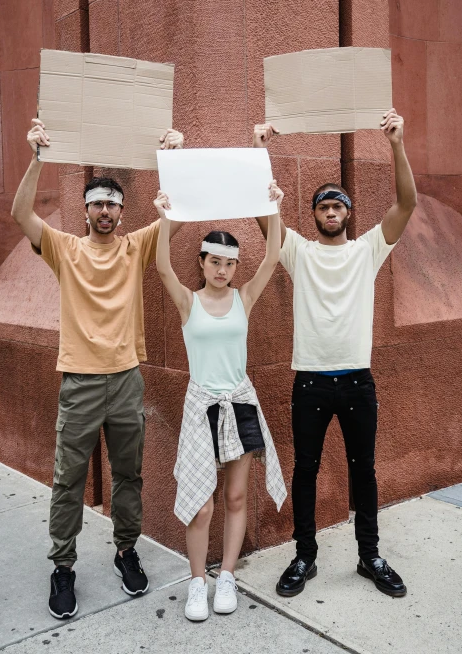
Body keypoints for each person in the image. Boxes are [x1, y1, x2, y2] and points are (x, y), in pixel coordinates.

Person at [11, 118, 184, 619]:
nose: (104, 210)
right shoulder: (66, 249)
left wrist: (170, 157)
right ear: (84, 211)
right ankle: (63, 567)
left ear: (122, 211)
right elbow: (21, 213)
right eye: (96, 203)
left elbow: (177, 210)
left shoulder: (137, 247)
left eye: (112, 203)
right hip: (81, 382)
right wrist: (38, 156)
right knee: (68, 479)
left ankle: (126, 552)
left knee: (128, 474)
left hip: (127, 378)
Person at [253, 108, 417, 598]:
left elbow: (406, 204)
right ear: (314, 215)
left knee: (362, 470)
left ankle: (370, 556)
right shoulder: (298, 251)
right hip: (310, 381)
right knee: (305, 469)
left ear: (348, 213)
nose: (330, 214)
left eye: (338, 207)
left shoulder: (367, 250)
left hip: (357, 382)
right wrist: (262, 149)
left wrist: (396, 144)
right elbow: (264, 220)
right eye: (323, 207)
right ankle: (305, 557)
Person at [153, 183, 287, 622]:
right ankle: (198, 581)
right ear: (203, 262)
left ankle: (226, 575)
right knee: (201, 501)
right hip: (201, 406)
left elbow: (272, 255)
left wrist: (272, 206)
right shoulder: (187, 302)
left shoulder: (243, 298)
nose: (223, 270)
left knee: (234, 495)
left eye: (230, 264)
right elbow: (160, 263)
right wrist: (167, 212)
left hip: (240, 403)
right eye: (216, 262)